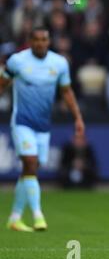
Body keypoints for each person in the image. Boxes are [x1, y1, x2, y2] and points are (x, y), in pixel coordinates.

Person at [0, 26, 85, 232]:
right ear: (30, 41)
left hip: (43, 126)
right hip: (22, 122)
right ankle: (38, 215)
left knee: (30, 169)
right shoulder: (17, 61)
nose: (40, 43)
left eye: (44, 39)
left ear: (49, 41)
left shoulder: (59, 63)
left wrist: (77, 118)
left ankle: (15, 217)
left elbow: (66, 92)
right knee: (29, 162)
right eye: (36, 39)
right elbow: (2, 84)